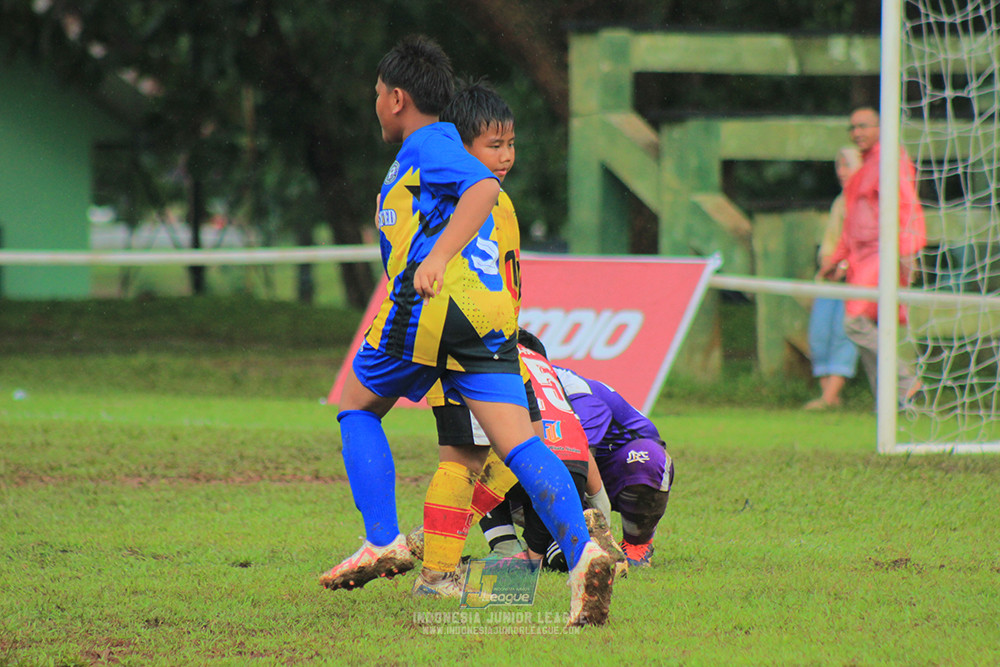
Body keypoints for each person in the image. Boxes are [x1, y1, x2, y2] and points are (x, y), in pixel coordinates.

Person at [318, 38, 614, 627]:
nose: (375, 104)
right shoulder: (433, 151)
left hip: (430, 308)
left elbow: (482, 188)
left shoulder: (428, 142)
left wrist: (435, 259)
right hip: (487, 321)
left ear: (397, 98)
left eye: (377, 95)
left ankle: (382, 539)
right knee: (521, 444)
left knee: (355, 406)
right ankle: (585, 556)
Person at [818, 107, 927, 406]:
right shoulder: (862, 171)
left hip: (883, 254)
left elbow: (907, 208)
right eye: (852, 128)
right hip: (861, 259)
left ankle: (905, 380)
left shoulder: (891, 162)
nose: (857, 133)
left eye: (864, 126)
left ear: (881, 127)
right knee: (869, 328)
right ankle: (889, 401)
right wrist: (836, 261)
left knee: (854, 323)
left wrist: (907, 252)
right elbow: (851, 225)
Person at [554, 365, 674, 568]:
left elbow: (580, 459)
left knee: (646, 459)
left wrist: (602, 529)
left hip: (616, 465)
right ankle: (516, 546)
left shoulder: (578, 393)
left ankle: (636, 544)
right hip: (573, 466)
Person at [804, 147, 862, 410]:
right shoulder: (840, 201)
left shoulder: (867, 201)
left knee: (843, 333)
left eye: (846, 165)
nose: (841, 171)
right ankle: (829, 395)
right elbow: (830, 242)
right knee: (820, 332)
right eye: (838, 165)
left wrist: (846, 265)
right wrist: (828, 263)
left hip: (856, 279)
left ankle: (829, 397)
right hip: (830, 278)